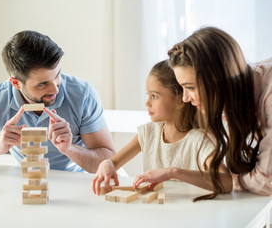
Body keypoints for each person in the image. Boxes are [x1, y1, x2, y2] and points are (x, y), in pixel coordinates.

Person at [0, 30, 115, 174]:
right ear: (15, 83)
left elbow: (110, 160)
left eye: (57, 76)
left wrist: (70, 149)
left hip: (77, 180)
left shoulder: (82, 94)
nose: (55, 89)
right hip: (27, 183)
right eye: (42, 84)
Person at [92, 60, 232, 199]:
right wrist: (107, 164)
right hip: (156, 216)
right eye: (148, 95)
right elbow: (114, 162)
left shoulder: (200, 140)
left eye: (154, 96)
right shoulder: (149, 133)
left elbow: (226, 182)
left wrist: (173, 172)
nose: (147, 102)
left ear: (180, 100)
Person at [168, 26, 272, 198]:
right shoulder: (242, 87)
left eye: (190, 87)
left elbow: (266, 181)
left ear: (218, 80)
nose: (186, 98)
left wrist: (229, 180)